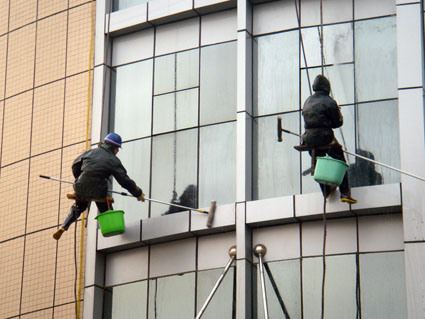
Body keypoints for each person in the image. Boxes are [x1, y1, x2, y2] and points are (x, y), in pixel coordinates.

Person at [53, 133, 145, 240]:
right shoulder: (113, 160)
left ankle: (64, 225)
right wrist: (138, 193)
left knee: (79, 206)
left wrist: (79, 179)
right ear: (114, 148)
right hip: (99, 190)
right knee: (106, 208)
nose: (118, 152)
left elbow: (75, 165)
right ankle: (112, 228)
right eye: (118, 149)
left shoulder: (90, 152)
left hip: (80, 186)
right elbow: (124, 181)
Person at [301, 74, 357, 204]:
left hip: (308, 138)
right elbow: (337, 123)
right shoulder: (329, 101)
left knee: (318, 162)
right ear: (327, 88)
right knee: (340, 160)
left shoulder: (307, 101)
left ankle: (326, 190)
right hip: (324, 136)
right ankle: (345, 192)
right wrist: (339, 114)